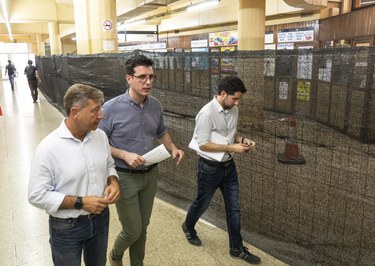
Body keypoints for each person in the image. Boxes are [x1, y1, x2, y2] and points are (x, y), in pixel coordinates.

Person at [98, 54, 185, 266]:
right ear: (129, 78)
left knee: (143, 226)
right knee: (132, 230)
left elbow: (161, 131)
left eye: (151, 77)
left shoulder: (155, 105)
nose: (148, 82)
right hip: (124, 178)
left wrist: (172, 147)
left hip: (150, 175)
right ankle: (116, 255)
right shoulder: (110, 108)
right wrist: (124, 154)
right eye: (142, 77)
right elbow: (98, 144)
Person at [28, 83, 121, 266]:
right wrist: (81, 202)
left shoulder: (100, 136)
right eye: (95, 111)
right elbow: (36, 195)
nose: (101, 115)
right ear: (75, 112)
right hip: (67, 227)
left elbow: (109, 165)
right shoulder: (48, 149)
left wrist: (114, 182)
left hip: (100, 219)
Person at [182, 76, 261, 264]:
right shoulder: (206, 113)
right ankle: (188, 226)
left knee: (234, 208)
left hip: (228, 167)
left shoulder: (234, 110)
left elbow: (232, 135)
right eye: (235, 98)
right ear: (223, 93)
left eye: (239, 99)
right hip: (209, 168)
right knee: (202, 203)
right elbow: (203, 145)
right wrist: (232, 148)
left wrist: (242, 141)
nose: (237, 102)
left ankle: (236, 248)